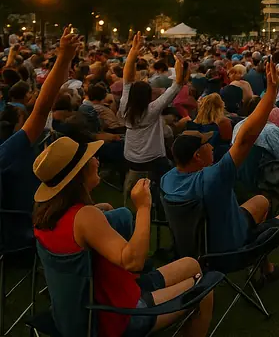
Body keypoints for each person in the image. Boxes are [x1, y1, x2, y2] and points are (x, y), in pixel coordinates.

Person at [161, 63, 279, 302]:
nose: (212, 146)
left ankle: (267, 270)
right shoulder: (214, 177)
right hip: (230, 251)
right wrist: (271, 95)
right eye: (206, 144)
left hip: (198, 251)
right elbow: (245, 139)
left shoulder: (167, 180)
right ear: (196, 157)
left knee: (261, 201)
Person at [33, 137, 214, 337]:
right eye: (91, 157)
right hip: (118, 316)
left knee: (190, 264)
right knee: (204, 289)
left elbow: (75, 234)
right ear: (79, 173)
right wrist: (144, 206)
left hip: (91, 306)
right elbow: (133, 261)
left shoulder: (47, 215)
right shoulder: (84, 217)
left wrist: (100, 211)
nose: (97, 160)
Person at [0, 28, 77, 250]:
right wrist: (63, 57)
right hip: (32, 233)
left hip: (9, 239)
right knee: (107, 213)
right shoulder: (9, 152)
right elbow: (42, 110)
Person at [119, 33, 183, 204]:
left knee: (133, 186)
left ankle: (132, 204)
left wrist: (133, 52)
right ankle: (166, 201)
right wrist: (180, 64)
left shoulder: (125, 105)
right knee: (167, 177)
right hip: (154, 158)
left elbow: (127, 79)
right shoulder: (153, 109)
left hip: (131, 158)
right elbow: (176, 86)